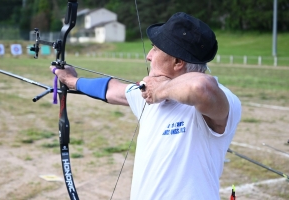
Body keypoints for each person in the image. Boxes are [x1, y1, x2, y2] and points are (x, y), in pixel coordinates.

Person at [51, 12, 241, 200]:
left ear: (177, 62)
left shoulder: (222, 99)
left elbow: (201, 87)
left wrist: (160, 90)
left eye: (155, 49)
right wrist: (73, 81)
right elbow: (111, 89)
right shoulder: (149, 93)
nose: (149, 56)